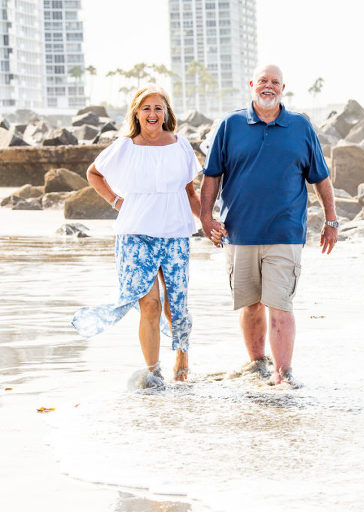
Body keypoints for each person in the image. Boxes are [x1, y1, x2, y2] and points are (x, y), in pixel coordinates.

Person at [200, 64, 338, 387]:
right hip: (239, 234)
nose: (268, 86)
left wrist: (331, 220)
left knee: (280, 305)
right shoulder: (230, 125)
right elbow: (211, 176)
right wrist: (206, 218)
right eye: (263, 80)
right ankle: (257, 366)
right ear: (252, 85)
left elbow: (321, 179)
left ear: (282, 89)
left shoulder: (300, 127)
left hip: (285, 234)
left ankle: (283, 374)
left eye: (275, 82)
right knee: (250, 306)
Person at [72, 85, 201, 388]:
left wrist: (207, 222)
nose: (153, 114)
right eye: (146, 108)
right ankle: (153, 371)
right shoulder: (124, 147)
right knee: (150, 305)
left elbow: (190, 192)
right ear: (136, 113)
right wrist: (116, 201)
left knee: (175, 304)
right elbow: (94, 173)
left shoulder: (181, 146)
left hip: (174, 233)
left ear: (167, 113)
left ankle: (182, 352)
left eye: (158, 108)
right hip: (135, 234)